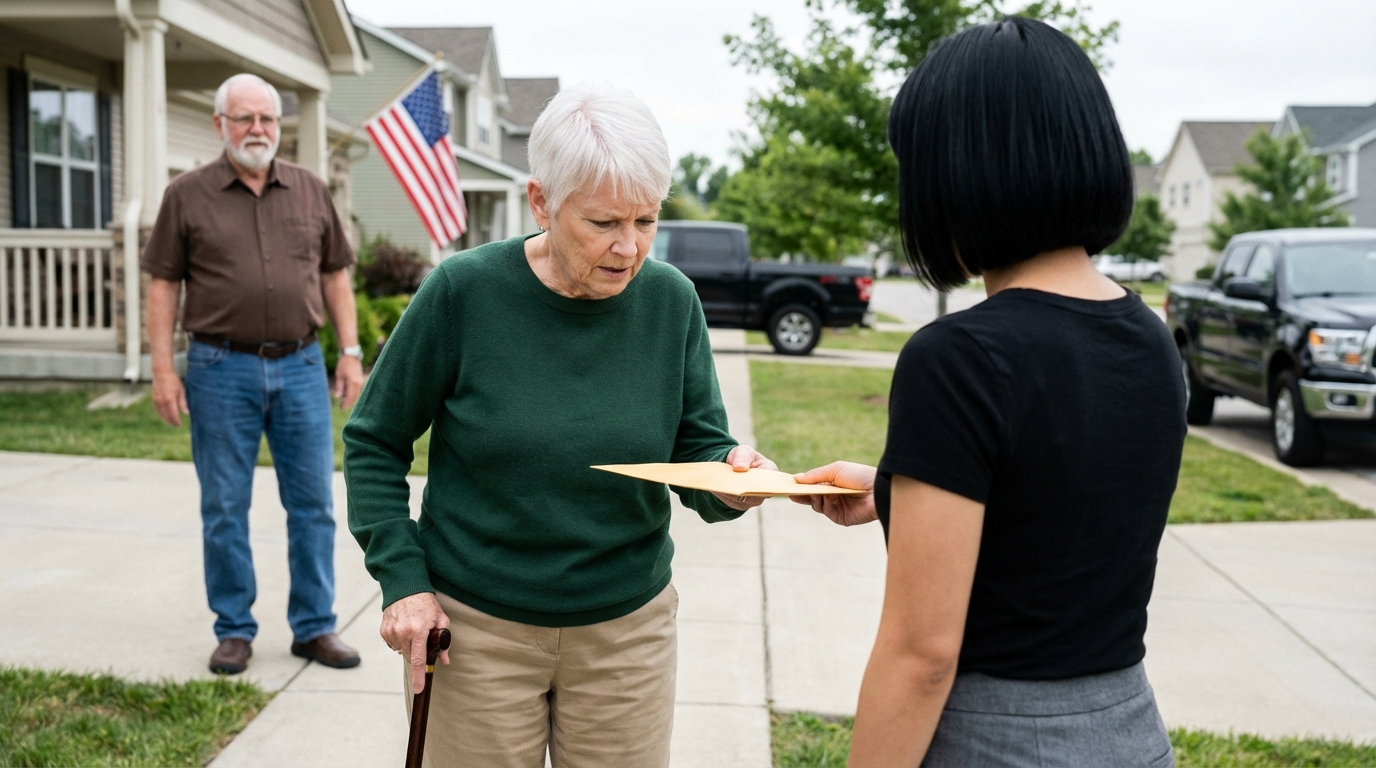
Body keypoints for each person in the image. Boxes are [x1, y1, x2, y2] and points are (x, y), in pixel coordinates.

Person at [343, 80, 775, 768]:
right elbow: (374, 440)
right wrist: (404, 580)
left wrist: (732, 479)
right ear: (541, 201)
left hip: (626, 632)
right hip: (475, 631)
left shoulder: (671, 301)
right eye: (604, 223)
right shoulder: (463, 292)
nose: (629, 248)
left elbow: (697, 444)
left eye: (645, 221)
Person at [792, 17, 1186, 767]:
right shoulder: (1149, 337)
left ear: (959, 173)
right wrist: (898, 488)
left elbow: (922, 654)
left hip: (998, 738)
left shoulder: (959, 357)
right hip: (1131, 728)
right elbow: (1060, 511)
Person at [143, 73, 364, 675]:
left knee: (314, 504)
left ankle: (315, 626)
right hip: (219, 368)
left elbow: (335, 275)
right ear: (220, 125)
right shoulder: (185, 195)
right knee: (224, 506)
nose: (258, 129)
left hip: (298, 366)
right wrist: (163, 370)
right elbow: (163, 284)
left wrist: (349, 352)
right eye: (244, 119)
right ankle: (234, 629)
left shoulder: (311, 191)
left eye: (266, 118)